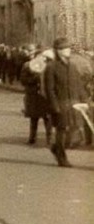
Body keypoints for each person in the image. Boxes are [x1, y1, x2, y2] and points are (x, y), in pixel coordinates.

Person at [43, 37, 89, 167]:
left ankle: (56, 149)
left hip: (74, 102)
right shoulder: (51, 67)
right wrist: (54, 106)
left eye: (68, 48)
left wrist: (84, 100)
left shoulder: (72, 66)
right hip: (61, 103)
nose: (68, 50)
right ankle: (62, 159)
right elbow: (49, 89)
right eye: (65, 48)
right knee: (61, 130)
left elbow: (78, 85)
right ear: (58, 51)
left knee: (74, 130)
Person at [19, 49, 52, 146]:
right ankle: (32, 137)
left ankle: (49, 139)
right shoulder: (27, 66)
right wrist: (35, 78)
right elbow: (23, 80)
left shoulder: (49, 66)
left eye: (43, 56)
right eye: (39, 56)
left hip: (44, 95)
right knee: (34, 118)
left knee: (47, 118)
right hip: (33, 94)